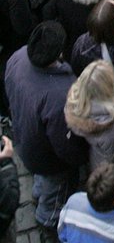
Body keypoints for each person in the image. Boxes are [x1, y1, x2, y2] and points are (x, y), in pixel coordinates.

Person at [5, 20, 85, 232]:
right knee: (55, 191)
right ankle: (47, 220)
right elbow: (64, 146)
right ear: (59, 53)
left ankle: (37, 192)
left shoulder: (18, 57)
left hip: (24, 140)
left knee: (42, 181)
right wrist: (76, 162)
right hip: (49, 160)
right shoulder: (61, 94)